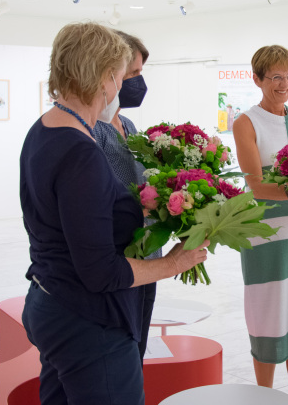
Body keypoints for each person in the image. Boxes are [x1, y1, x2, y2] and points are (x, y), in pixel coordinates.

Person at [20, 22, 208, 404]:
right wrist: (174, 263)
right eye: (122, 77)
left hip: (51, 301)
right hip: (87, 320)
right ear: (104, 77)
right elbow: (100, 271)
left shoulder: (44, 130)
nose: (122, 87)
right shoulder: (82, 151)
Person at [232, 45, 288, 405]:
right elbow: (255, 183)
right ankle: (263, 399)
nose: (284, 83)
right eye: (275, 77)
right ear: (257, 79)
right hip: (263, 229)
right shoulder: (246, 122)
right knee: (268, 312)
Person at [93, 31, 159, 360]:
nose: (137, 82)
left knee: (138, 350)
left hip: (146, 255)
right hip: (120, 257)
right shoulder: (94, 130)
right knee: (121, 352)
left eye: (140, 74)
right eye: (131, 74)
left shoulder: (129, 125)